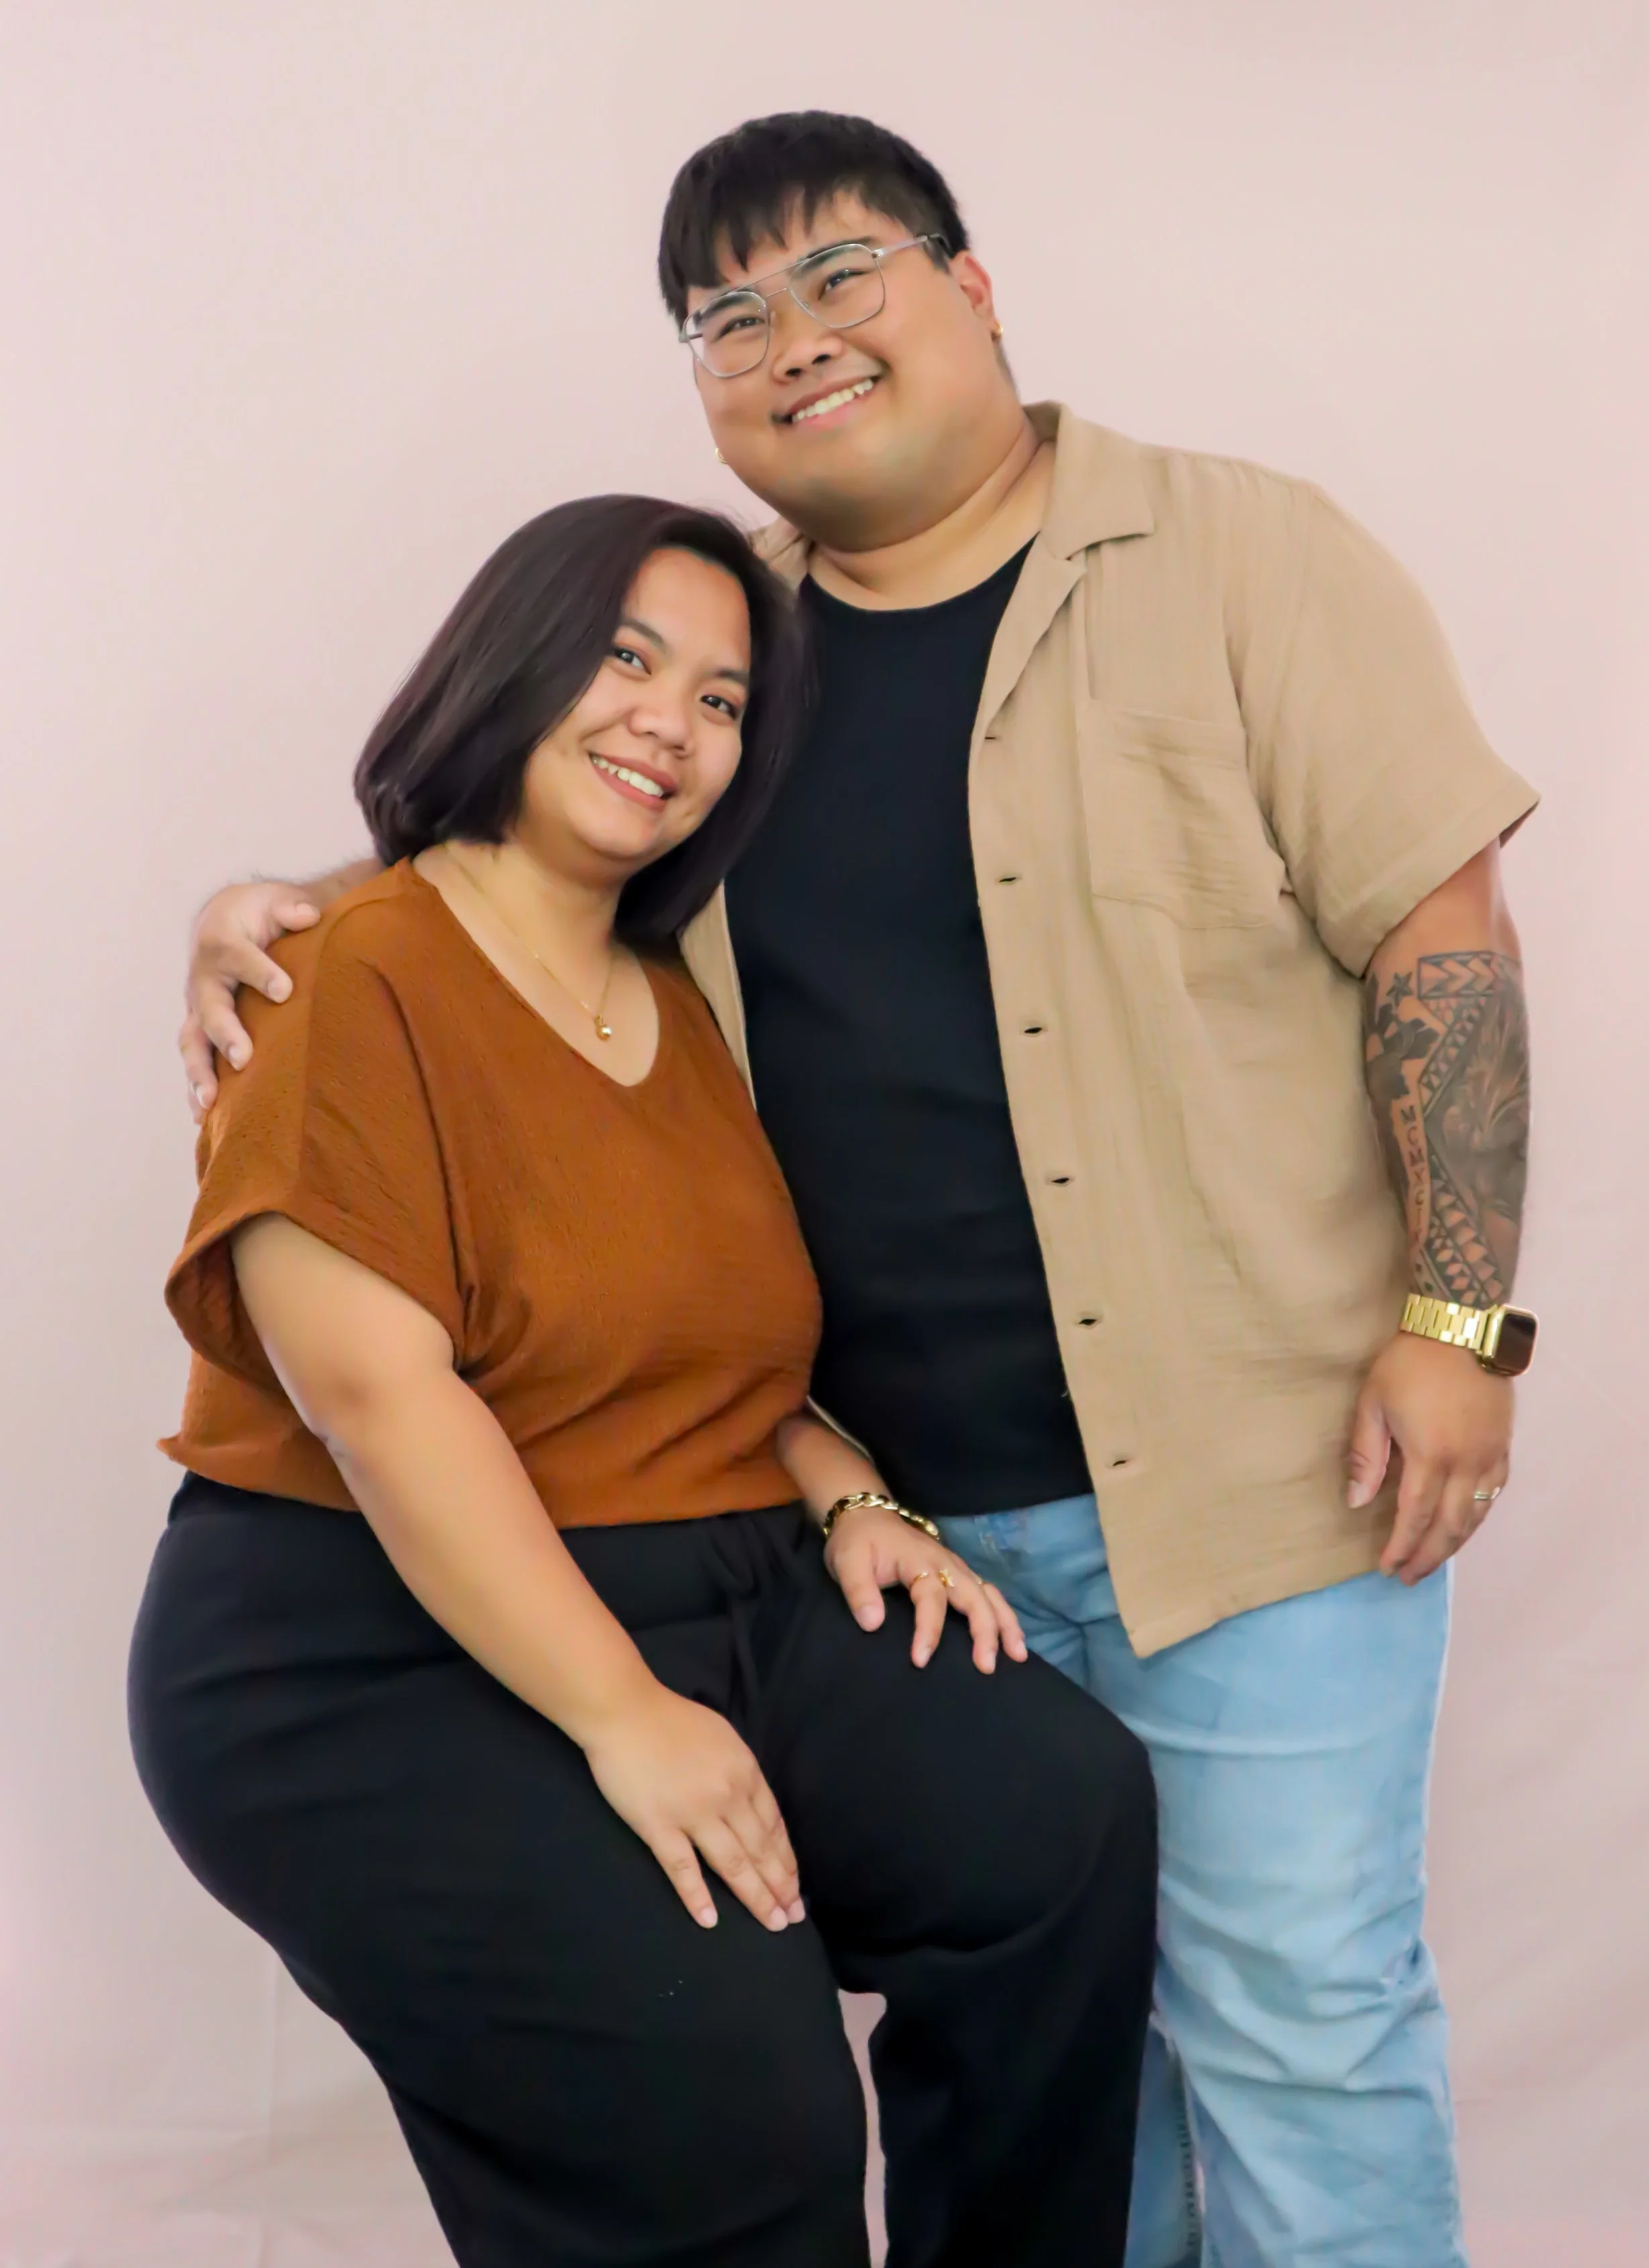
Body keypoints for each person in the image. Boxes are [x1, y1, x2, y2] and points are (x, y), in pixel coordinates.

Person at [179, 115, 1540, 2268]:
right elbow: (548, 865)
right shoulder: (739, 656)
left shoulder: (1239, 556)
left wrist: (1460, 1322)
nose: (790, 339)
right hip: (875, 1519)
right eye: (727, 315)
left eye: (843, 275)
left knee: (1290, 2019)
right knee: (1051, 2012)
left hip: (1255, 1475)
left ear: (973, 286)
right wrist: (293, 902)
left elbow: (1438, 937)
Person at [132, 491, 1158, 2268]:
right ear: (506, 662)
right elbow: (384, 1403)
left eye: (720, 698)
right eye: (623, 658)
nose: (666, 724)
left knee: (1047, 1820)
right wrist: (624, 1717)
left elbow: (715, 1346)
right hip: (367, 1641)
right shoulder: (332, 973)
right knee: (735, 2086)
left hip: (718, 1571)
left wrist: (855, 1499)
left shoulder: (672, 1000)